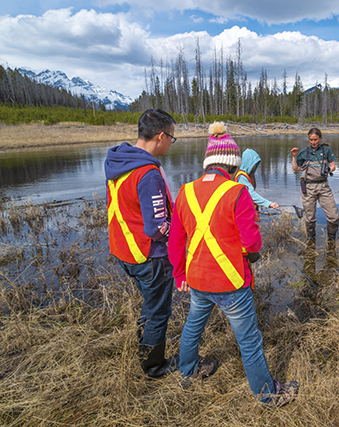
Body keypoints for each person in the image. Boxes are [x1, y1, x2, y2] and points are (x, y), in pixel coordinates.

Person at [168, 122, 298, 406]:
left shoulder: (185, 192)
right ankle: (267, 395)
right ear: (232, 164)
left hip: (197, 279)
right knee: (249, 341)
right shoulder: (237, 192)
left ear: (208, 162)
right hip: (231, 282)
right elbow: (252, 243)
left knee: (193, 326)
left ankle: (187, 371)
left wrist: (180, 275)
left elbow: (176, 242)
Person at [104, 108, 178, 379]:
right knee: (159, 311)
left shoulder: (120, 161)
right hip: (148, 254)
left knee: (150, 305)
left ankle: (145, 349)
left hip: (124, 249)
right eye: (172, 137)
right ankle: (154, 366)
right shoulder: (148, 173)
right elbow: (158, 228)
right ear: (160, 136)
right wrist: (182, 237)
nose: (171, 142)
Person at [291, 128, 339, 243]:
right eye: (311, 140)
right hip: (309, 188)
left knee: (334, 216)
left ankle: (331, 240)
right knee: (310, 218)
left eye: (315, 140)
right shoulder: (304, 152)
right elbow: (295, 170)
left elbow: (333, 166)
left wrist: (328, 169)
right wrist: (294, 157)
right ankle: (311, 240)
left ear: (320, 138)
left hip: (323, 187)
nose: (313, 142)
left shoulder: (326, 150)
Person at [236, 148, 279, 216]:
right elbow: (251, 194)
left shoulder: (246, 175)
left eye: (256, 164)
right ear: (248, 162)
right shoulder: (241, 178)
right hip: (241, 213)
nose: (255, 166)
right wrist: (269, 203)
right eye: (253, 163)